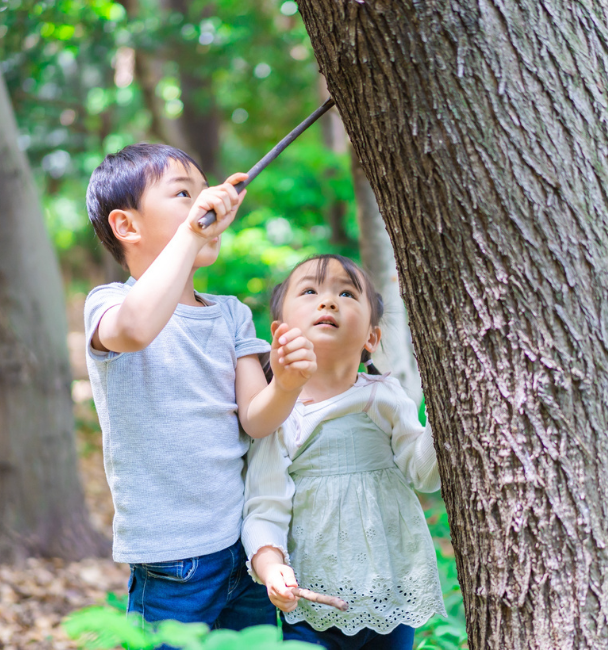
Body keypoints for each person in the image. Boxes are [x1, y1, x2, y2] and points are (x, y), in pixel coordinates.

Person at [83, 143, 316, 629]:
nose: (203, 204)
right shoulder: (108, 304)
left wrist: (288, 384)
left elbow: (255, 418)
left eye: (202, 192)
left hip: (242, 549)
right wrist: (193, 231)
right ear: (126, 226)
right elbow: (135, 330)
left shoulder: (229, 312)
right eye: (183, 194)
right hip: (172, 564)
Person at [242, 254, 446, 649]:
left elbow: (424, 473)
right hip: (311, 598)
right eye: (309, 291)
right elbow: (264, 505)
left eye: (346, 293)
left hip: (390, 589)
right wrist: (271, 568)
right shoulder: (276, 414)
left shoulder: (384, 396)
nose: (328, 301)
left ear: (371, 337)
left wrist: (443, 418)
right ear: (279, 333)